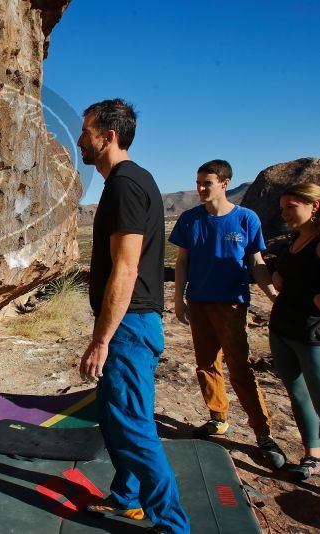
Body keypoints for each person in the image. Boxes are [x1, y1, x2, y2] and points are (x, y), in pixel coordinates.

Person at [77, 99, 189, 534]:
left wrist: (101, 339)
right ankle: (127, 499)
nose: (81, 139)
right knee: (114, 419)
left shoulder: (126, 184)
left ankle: (173, 525)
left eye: (87, 131)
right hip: (130, 324)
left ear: (109, 136)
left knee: (134, 427)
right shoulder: (127, 181)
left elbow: (126, 269)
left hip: (128, 327)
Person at [169, 159, 286, 469]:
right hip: (198, 301)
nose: (200, 188)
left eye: (206, 183)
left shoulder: (246, 219)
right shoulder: (190, 219)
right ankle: (218, 417)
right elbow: (182, 262)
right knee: (206, 364)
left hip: (232, 304)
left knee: (239, 367)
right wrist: (178, 299)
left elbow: (256, 262)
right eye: (198, 183)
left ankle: (263, 433)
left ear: (224, 182)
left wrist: (271, 293)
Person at [269, 182, 320, 480]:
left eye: (291, 206)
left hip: (311, 335)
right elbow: (283, 277)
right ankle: (312, 455)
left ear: (314, 206)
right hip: (282, 329)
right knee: (298, 395)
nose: (285, 213)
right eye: (282, 208)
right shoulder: (292, 241)